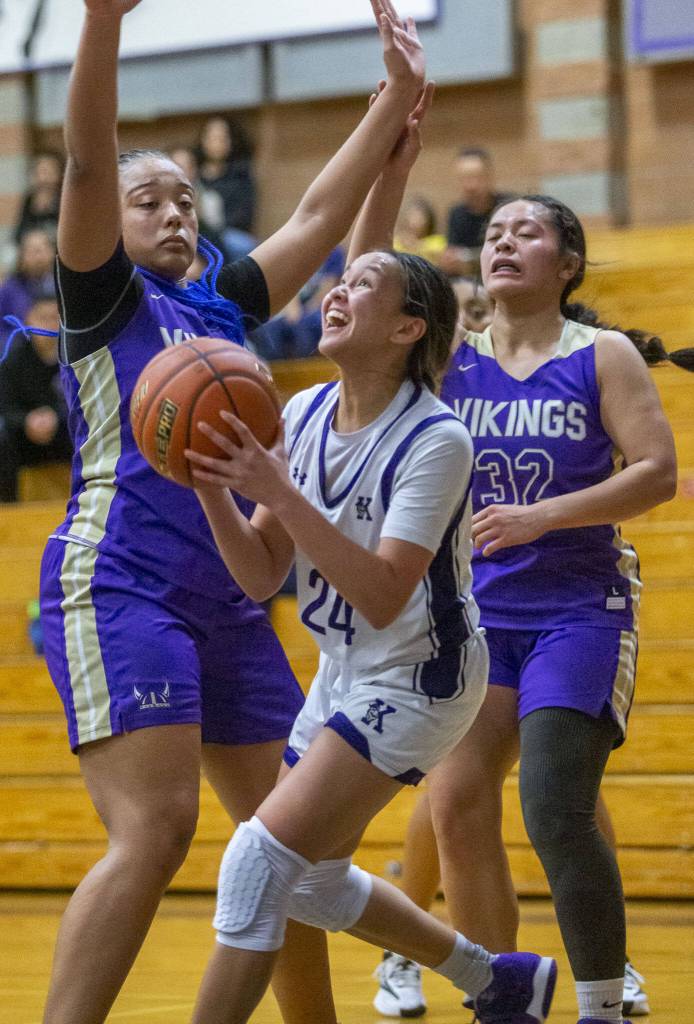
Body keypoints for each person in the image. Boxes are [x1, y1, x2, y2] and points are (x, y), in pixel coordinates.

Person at [37, 2, 440, 1022]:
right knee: (160, 825)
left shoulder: (220, 305)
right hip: (121, 579)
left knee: (283, 842)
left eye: (183, 198)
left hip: (229, 595)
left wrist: (391, 97)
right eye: (148, 201)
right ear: (111, 224)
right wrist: (100, 24)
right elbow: (87, 167)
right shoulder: (105, 301)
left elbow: (314, 217)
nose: (172, 212)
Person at [183, 198, 557, 1024]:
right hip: (347, 667)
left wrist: (275, 486)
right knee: (311, 882)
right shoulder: (304, 411)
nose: (335, 292)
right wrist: (214, 491)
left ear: (406, 330)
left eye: (362, 283)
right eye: (337, 281)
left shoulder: (437, 438)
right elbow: (259, 573)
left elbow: (386, 591)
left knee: (257, 861)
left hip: (426, 671)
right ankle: (496, 978)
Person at [375, 193, 693, 1024]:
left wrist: (541, 515)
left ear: (567, 262)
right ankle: (502, 994)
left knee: (554, 801)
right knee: (454, 801)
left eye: (528, 231)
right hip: (478, 618)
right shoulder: (449, 361)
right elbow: (367, 280)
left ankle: (600, 999)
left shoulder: (604, 354)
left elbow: (656, 472)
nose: (505, 242)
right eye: (494, 233)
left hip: (579, 609)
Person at [0, 297, 71, 503]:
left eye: (54, 318)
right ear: (29, 320)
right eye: (42, 318)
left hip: (64, 431)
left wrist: (56, 417)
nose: (49, 325)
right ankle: (7, 509)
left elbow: (86, 405)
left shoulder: (75, 359)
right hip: (24, 435)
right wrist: (27, 420)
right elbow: (6, 407)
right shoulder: (11, 359)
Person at [440, 148, 509, 278]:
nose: (470, 185)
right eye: (464, 178)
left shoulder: (508, 208)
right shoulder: (456, 213)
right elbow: (453, 254)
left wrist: (468, 260)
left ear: (490, 176)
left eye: (476, 177)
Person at [196, 115, 257, 261]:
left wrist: (216, 231)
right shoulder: (195, 176)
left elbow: (244, 216)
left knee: (244, 246)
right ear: (203, 140)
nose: (217, 143)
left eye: (222, 138)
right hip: (198, 233)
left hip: (229, 233)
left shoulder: (241, 175)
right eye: (212, 138)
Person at [0, 228, 56, 324]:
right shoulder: (9, 289)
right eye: (32, 251)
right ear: (22, 255)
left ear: (52, 252)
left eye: (41, 250)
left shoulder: (63, 285)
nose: (38, 257)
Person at [12, 151, 64, 244]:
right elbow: (18, 234)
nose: (44, 178)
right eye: (40, 172)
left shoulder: (63, 200)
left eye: (48, 172)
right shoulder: (29, 199)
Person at [393, 195, 446, 265]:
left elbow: (438, 252)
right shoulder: (399, 241)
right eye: (412, 217)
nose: (415, 222)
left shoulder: (437, 240)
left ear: (428, 220)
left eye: (420, 218)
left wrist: (415, 245)